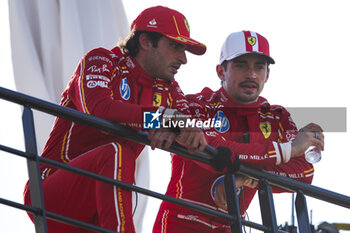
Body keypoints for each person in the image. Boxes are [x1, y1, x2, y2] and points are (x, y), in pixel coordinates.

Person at [23, 6, 208, 233]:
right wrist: (160, 118)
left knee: (119, 155)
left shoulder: (170, 90)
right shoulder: (102, 59)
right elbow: (98, 108)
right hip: (50, 191)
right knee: (116, 152)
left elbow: (193, 131)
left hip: (101, 209)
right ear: (146, 41)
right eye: (175, 46)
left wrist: (174, 127)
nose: (184, 59)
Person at [153, 30, 325, 233]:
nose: (251, 74)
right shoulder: (196, 104)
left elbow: (305, 173)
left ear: (267, 75)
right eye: (241, 65)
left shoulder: (278, 117)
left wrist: (246, 178)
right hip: (181, 221)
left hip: (232, 226)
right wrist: (286, 150)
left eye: (259, 67)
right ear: (220, 71)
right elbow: (213, 150)